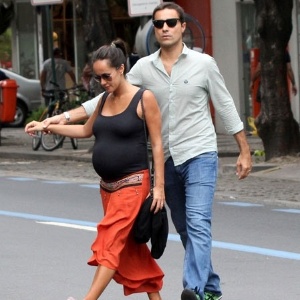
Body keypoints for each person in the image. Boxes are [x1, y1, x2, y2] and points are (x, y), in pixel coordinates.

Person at [41, 3, 252, 300]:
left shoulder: (204, 64)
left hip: (199, 153)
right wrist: (61, 118)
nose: (164, 27)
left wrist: (244, 149)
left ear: (182, 26)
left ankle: (193, 288)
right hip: (167, 159)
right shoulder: (143, 67)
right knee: (187, 229)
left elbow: (226, 105)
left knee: (198, 221)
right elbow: (103, 99)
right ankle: (211, 288)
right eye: (158, 23)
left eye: (171, 22)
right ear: (153, 29)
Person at [25, 39, 165, 300]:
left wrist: (159, 189)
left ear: (121, 69)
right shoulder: (103, 101)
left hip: (134, 185)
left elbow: (157, 145)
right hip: (108, 189)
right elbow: (85, 130)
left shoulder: (143, 98)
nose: (102, 82)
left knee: (110, 243)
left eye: (107, 76)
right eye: (98, 77)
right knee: (132, 250)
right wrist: (46, 126)